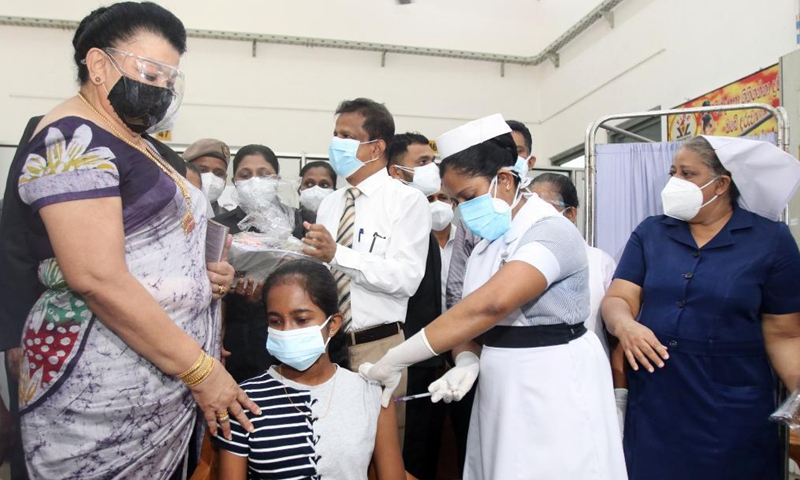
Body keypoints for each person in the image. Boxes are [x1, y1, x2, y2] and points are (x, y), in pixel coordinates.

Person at [0, 3, 260, 479]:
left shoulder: (133, 139)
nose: (160, 90)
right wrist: (202, 372)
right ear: (99, 66)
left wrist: (201, 276)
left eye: (169, 80)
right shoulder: (71, 141)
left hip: (157, 373)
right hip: (102, 386)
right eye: (150, 73)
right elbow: (97, 277)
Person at [360, 114, 627, 480]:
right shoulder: (487, 243)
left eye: (468, 196)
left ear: (504, 179)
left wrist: (397, 357)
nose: (463, 210)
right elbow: (468, 322)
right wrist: (467, 359)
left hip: (554, 378)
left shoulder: (550, 231)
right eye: (456, 201)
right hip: (502, 382)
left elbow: (491, 305)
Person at [601, 135, 800, 480]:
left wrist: (798, 388)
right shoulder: (652, 232)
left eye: (687, 174)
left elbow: (784, 333)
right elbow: (618, 298)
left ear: (721, 184)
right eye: (673, 172)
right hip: (657, 399)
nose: (674, 181)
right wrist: (625, 326)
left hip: (733, 408)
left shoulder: (771, 241)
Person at [302, 98, 430, 444]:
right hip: (325, 345)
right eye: (334, 134)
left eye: (346, 135)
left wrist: (339, 254)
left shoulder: (407, 201)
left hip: (378, 347)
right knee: (329, 444)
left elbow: (406, 279)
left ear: (375, 147)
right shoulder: (331, 203)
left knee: (378, 447)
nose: (336, 143)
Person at [214, 260, 405, 480]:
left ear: (333, 325)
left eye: (301, 319)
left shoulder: (370, 394)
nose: (287, 330)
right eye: (275, 321)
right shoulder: (242, 400)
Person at [214, 144, 304, 383]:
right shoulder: (219, 226)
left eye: (264, 174)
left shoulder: (299, 221)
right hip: (235, 334)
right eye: (245, 175)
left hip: (289, 336)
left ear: (277, 178)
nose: (255, 181)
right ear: (234, 181)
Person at [386, 133, 445, 480]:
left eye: (432, 161)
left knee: (424, 455)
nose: (432, 169)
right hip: (400, 358)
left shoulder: (422, 221)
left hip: (429, 361)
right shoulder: (393, 221)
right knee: (400, 458)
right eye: (422, 162)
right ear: (396, 171)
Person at [183, 138, 231, 216]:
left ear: (225, 181)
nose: (210, 179)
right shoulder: (165, 216)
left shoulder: (231, 224)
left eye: (218, 173)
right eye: (202, 170)